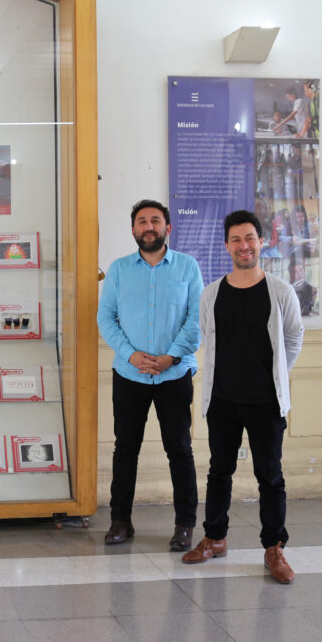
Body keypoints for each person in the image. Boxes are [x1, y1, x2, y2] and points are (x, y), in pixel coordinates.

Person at [182, 210, 304, 585]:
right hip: (222, 401)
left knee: (270, 477)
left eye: (250, 238)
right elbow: (207, 337)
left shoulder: (280, 291)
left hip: (266, 403)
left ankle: (274, 548)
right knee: (219, 471)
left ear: (261, 242)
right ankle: (215, 539)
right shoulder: (211, 294)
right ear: (227, 246)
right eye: (236, 239)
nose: (243, 245)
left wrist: (276, 375)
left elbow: (294, 338)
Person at [97, 200, 203, 551]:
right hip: (130, 374)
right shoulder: (119, 270)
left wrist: (171, 356)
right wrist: (131, 355)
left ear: (167, 228)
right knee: (125, 449)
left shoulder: (187, 267)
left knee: (180, 450)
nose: (149, 226)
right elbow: (105, 318)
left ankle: (185, 525)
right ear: (133, 230)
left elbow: (196, 318)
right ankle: (120, 521)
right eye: (142, 221)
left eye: (155, 220)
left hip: (175, 374)